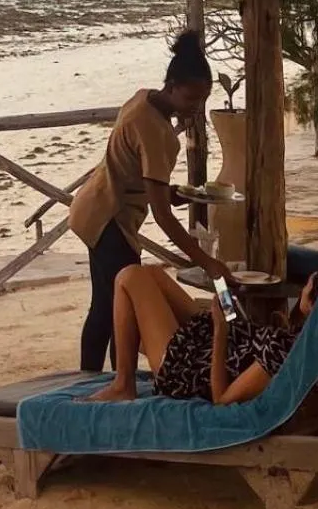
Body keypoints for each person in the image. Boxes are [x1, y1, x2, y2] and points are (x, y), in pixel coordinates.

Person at [68, 30, 229, 373]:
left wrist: (169, 192)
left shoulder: (143, 98)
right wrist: (206, 262)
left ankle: (93, 379)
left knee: (106, 305)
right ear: (171, 85)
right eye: (190, 100)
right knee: (122, 308)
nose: (195, 109)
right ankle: (113, 383)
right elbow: (164, 217)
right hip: (108, 219)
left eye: (202, 101)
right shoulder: (155, 131)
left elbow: (135, 173)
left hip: (92, 208)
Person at [87, 259, 318, 405]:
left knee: (129, 276)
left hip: (188, 369)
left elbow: (222, 398)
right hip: (221, 341)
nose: (301, 290)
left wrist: (221, 332)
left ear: (312, 302)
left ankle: (124, 384)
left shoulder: (284, 350)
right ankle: (140, 347)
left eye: (307, 286)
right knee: (153, 274)